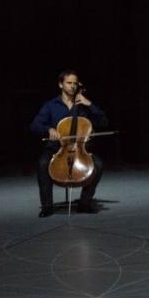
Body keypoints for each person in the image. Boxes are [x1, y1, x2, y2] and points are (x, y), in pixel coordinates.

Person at [30, 70, 108, 216]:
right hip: (57, 148)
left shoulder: (84, 104)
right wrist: (49, 129)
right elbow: (35, 125)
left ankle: (84, 203)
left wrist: (89, 104)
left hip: (81, 149)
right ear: (61, 84)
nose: (72, 86)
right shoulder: (50, 105)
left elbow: (103, 121)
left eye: (75, 83)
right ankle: (47, 206)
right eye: (69, 83)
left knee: (98, 165)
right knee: (42, 164)